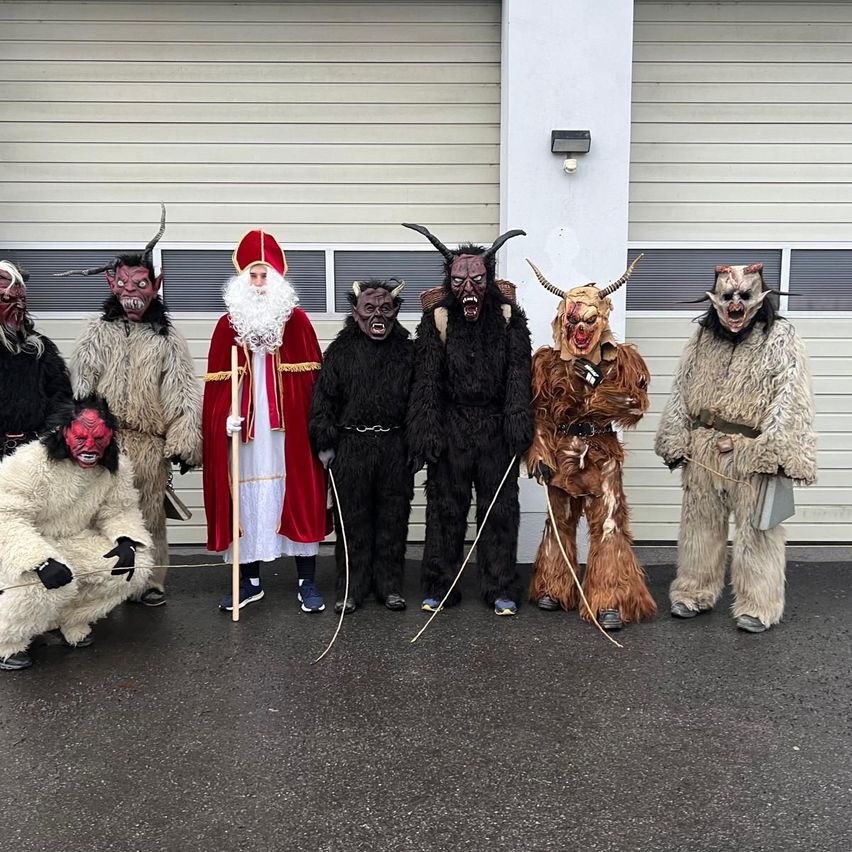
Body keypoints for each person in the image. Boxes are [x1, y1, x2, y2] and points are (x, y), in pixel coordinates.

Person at [655, 263, 817, 633]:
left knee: (758, 530)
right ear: (715, 299)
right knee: (699, 524)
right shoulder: (702, 339)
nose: (735, 304)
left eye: (744, 296)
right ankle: (694, 591)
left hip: (751, 450)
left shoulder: (781, 337)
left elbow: (792, 397)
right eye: (728, 296)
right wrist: (675, 436)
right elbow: (681, 389)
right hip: (704, 448)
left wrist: (774, 450)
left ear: (759, 297)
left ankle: (759, 605)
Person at [67, 206, 203, 607]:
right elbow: (80, 384)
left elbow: (182, 390)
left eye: (141, 284)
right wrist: (80, 433)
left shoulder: (167, 338)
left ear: (155, 286)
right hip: (103, 443)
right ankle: (103, 583)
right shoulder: (97, 332)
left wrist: (183, 441)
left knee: (149, 515)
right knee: (99, 514)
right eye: (125, 283)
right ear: (112, 285)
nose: (133, 292)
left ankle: (149, 581)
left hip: (147, 447)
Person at [404, 223, 533, 616]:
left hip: (495, 429)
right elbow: (426, 381)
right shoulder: (438, 319)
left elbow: (519, 375)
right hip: (452, 428)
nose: (469, 289)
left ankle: (501, 587)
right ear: (449, 280)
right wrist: (426, 434)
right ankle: (440, 586)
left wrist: (517, 426)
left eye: (476, 279)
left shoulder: (508, 317)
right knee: (445, 509)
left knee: (500, 510)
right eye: (459, 281)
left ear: (488, 279)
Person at [525, 257, 656, 630]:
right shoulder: (547, 363)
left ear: (602, 320)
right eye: (573, 322)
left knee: (610, 525)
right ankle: (555, 585)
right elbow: (538, 413)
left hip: (602, 454)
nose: (580, 330)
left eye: (589, 321)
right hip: (562, 455)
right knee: (559, 521)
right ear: (562, 322)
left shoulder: (622, 361)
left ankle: (610, 598)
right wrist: (538, 450)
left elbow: (636, 406)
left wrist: (600, 384)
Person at [202, 229, 328, 613]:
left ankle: (307, 581)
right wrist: (223, 420)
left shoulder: (299, 323)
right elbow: (215, 394)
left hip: (289, 435)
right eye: (252, 276)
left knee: (299, 494)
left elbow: (315, 390)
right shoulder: (227, 326)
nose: (258, 284)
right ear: (242, 280)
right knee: (245, 499)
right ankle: (249, 581)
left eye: (264, 275)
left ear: (277, 279)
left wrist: (318, 430)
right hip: (246, 435)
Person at [0, 395, 153, 671]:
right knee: (42, 582)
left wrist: (126, 539)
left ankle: (64, 621)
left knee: (134, 567)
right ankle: (7, 641)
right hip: (21, 545)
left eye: (99, 439)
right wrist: (39, 560)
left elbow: (118, 509)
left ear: (110, 437)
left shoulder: (115, 467)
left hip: (72, 542)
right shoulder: (32, 462)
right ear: (64, 432)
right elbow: (6, 517)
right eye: (81, 438)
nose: (90, 447)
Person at [310, 278, 413, 613]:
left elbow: (420, 402)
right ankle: (351, 589)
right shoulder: (340, 351)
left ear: (395, 312)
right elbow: (324, 399)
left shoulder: (408, 352)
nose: (377, 315)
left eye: (385, 308)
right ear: (356, 313)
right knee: (352, 521)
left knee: (393, 519)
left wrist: (417, 444)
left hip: (394, 447)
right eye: (369, 308)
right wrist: (324, 441)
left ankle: (389, 586)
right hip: (351, 448)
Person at [0, 259, 73, 460]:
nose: (19, 306)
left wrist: (45, 441)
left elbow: (61, 400)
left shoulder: (39, 349)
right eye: (7, 299)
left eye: (22, 299)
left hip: (31, 456)